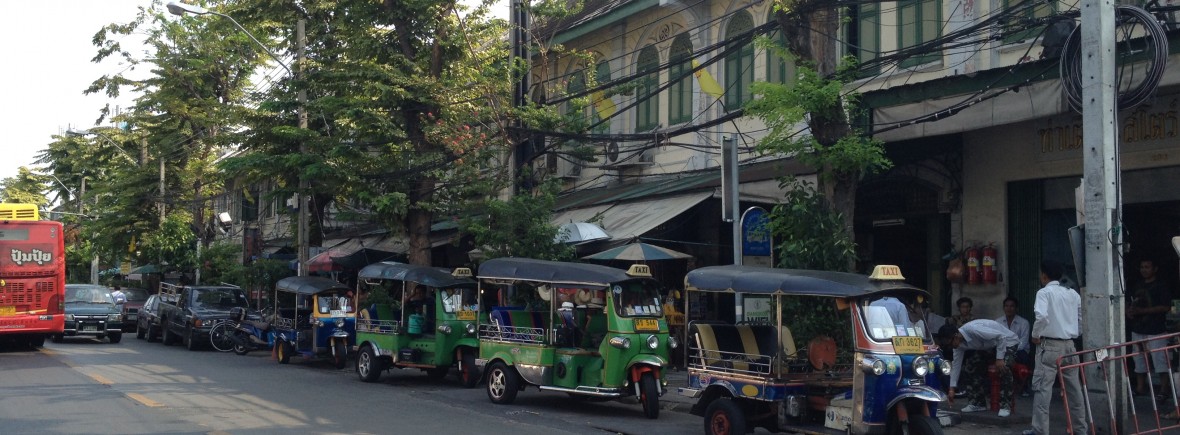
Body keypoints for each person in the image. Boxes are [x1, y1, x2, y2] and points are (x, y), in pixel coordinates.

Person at [1025, 260, 1087, 435]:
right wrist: (1073, 335)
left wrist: (1035, 335)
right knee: (1075, 392)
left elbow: (1042, 317)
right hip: (1070, 346)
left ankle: (1040, 431)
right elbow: (1081, 320)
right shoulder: (1073, 294)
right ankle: (1080, 430)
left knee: (1043, 391)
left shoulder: (1044, 293)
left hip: (1049, 346)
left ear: (1044, 275)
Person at [947, 319, 1020, 418]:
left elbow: (1001, 337)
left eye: (951, 343)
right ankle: (978, 403)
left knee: (1004, 368)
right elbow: (956, 365)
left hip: (1007, 342)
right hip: (990, 347)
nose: (952, 347)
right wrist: (952, 389)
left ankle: (1006, 406)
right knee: (970, 366)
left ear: (956, 336)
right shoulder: (958, 345)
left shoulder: (973, 330)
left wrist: (999, 358)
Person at [1127, 258, 1174, 399]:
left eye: (1147, 267)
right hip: (1138, 329)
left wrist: (1143, 311)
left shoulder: (1161, 286)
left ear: (1155, 269)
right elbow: (1129, 302)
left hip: (1156, 330)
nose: (1144, 270)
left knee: (1160, 360)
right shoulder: (1137, 285)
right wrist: (1128, 311)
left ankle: (1164, 390)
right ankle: (1141, 387)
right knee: (1139, 360)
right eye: (1142, 267)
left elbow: (1166, 307)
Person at [996, 296, 1032, 396]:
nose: (1009, 308)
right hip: (1002, 350)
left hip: (1020, 351)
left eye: (1012, 306)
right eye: (1006, 306)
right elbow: (996, 340)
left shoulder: (1024, 323)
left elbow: (1023, 343)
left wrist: (1009, 349)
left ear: (1016, 308)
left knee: (1016, 358)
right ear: (1003, 308)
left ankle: (1023, 387)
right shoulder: (998, 322)